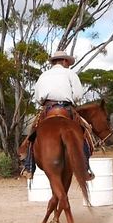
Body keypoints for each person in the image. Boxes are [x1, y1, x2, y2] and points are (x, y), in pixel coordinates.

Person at [20, 50, 87, 179]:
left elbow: (38, 97)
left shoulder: (43, 75)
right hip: (66, 109)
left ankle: (29, 166)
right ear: (65, 61)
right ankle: (85, 167)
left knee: (33, 133)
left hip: (48, 109)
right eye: (68, 62)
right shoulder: (70, 74)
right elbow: (78, 95)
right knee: (84, 131)